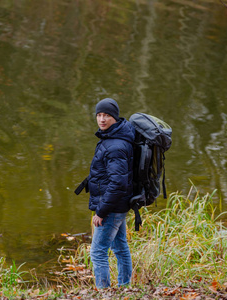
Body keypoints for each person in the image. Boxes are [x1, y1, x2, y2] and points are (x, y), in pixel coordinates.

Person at [87, 98, 135, 289]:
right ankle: (125, 287)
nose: (102, 119)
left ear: (114, 117)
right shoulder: (114, 138)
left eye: (106, 115)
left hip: (112, 206)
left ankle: (103, 292)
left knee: (98, 252)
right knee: (120, 247)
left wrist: (101, 211)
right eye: (99, 115)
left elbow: (118, 183)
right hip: (119, 204)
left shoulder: (115, 146)